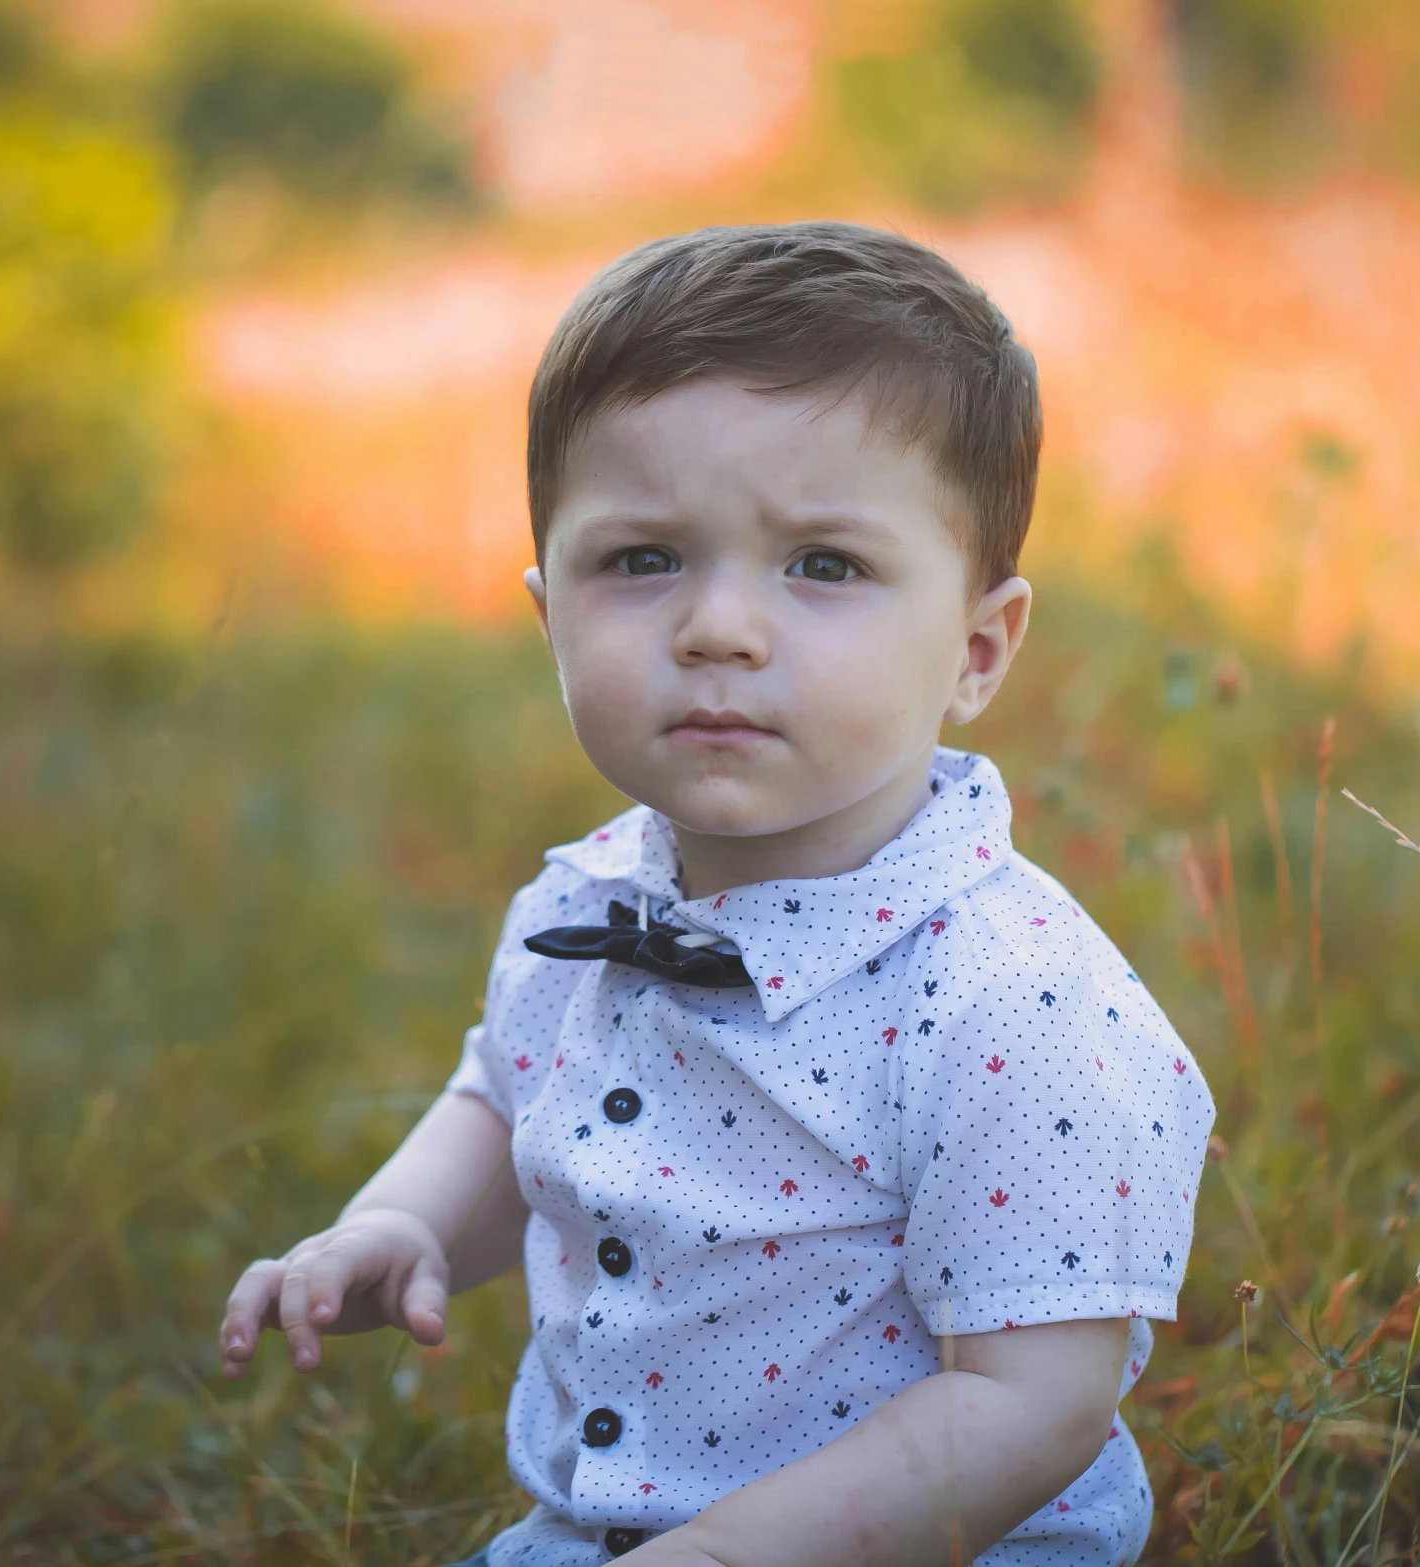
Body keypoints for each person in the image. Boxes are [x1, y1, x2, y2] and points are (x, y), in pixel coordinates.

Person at [217, 221, 1215, 1566]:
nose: (718, 627)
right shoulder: (587, 904)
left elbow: (1030, 1402)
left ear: (976, 648)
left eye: (823, 565)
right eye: (643, 559)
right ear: (546, 611)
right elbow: (503, 1092)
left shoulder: (1010, 1000)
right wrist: (400, 1219)